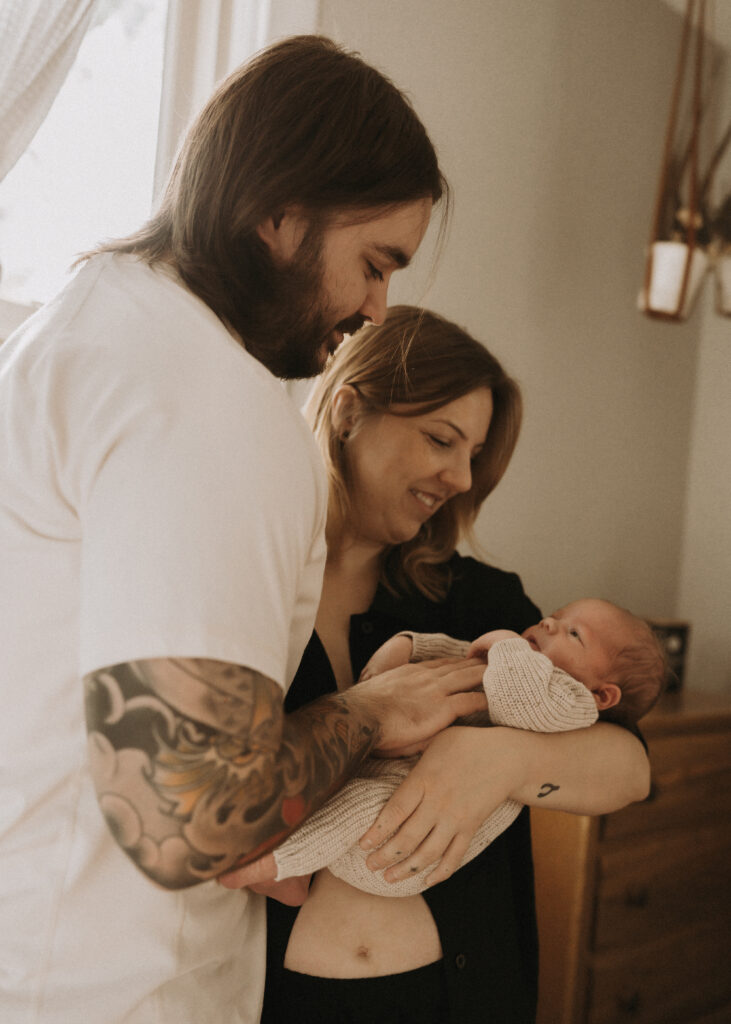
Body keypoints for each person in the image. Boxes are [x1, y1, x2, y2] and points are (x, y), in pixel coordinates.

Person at [0, 37, 492, 1024]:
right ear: (279, 213)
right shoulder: (209, 403)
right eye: (373, 263)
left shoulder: (79, 325)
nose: (373, 307)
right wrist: (370, 714)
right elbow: (191, 818)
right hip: (115, 987)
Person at [220, 306, 651, 1024]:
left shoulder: (477, 602)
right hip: (277, 1000)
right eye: (440, 439)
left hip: (464, 994)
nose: (458, 476)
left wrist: (493, 762)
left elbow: (628, 768)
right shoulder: (242, 588)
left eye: (472, 455)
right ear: (350, 412)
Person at [251, 598, 666, 898]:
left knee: (363, 802)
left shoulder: (571, 703)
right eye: (555, 616)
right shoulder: (513, 660)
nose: (549, 624)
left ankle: (277, 862)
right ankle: (296, 871)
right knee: (341, 787)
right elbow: (459, 653)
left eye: (574, 633)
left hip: (404, 849)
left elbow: (521, 697)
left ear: (603, 696)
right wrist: (410, 645)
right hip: (398, 793)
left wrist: (507, 642)